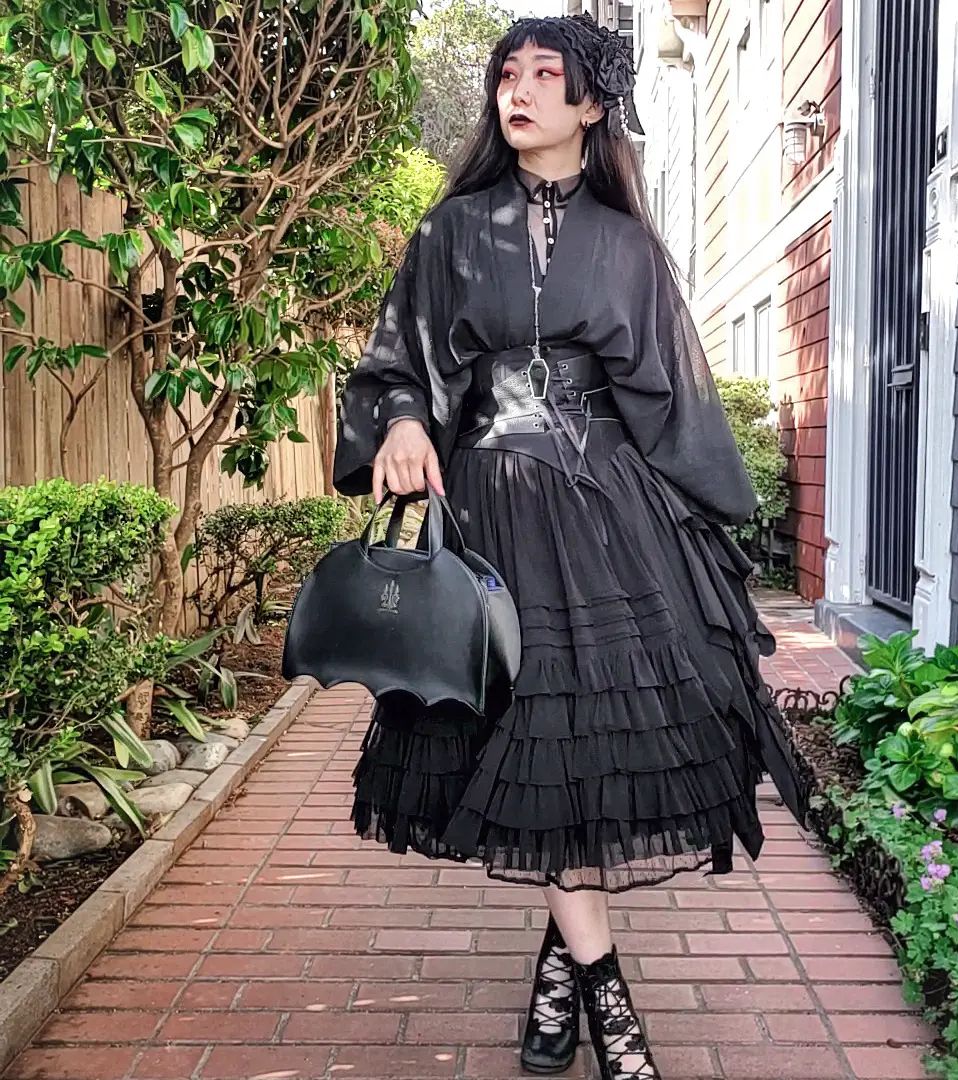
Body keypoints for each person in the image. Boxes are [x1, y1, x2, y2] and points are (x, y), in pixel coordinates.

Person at [332, 14, 807, 1080]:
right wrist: (402, 420)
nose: (520, 89)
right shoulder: (452, 231)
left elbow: (670, 396)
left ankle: (562, 979)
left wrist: (699, 526)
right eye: (509, 73)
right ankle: (608, 1006)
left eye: (547, 75)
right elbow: (398, 358)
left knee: (585, 750)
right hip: (495, 512)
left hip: (610, 517)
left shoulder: (629, 245)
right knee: (539, 733)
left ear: (591, 105)